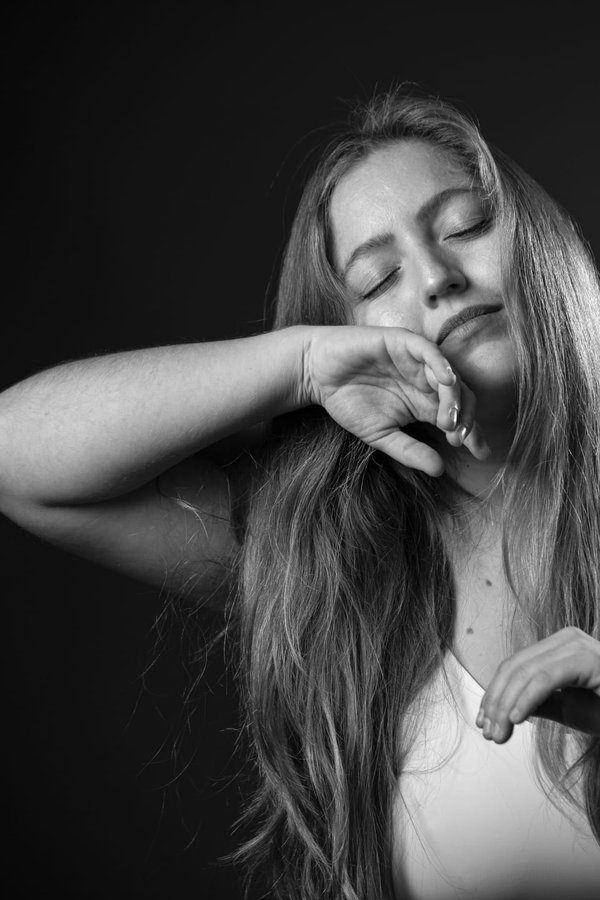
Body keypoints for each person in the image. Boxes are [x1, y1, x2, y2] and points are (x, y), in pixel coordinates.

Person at [1, 84, 599, 900]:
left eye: (465, 226)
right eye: (378, 279)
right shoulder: (331, 568)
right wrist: (302, 365)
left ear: (542, 245)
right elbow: (19, 459)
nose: (436, 278)